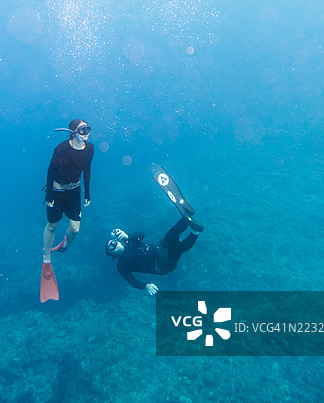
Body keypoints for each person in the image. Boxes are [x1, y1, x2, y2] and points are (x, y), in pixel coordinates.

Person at [42, 119, 94, 265]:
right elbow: (51, 171)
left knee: (75, 229)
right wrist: (49, 194)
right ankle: (46, 256)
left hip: (74, 192)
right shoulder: (62, 148)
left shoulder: (90, 148)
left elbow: (87, 170)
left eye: (88, 129)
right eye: (82, 129)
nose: (86, 133)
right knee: (52, 225)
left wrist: (87, 193)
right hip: (57, 192)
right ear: (73, 132)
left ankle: (64, 245)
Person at [105, 218, 203, 295]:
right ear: (112, 254)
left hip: (159, 248)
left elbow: (141, 235)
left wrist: (127, 236)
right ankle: (195, 233)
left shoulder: (129, 241)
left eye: (114, 242)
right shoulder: (121, 265)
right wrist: (146, 286)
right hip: (160, 265)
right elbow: (132, 281)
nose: (115, 244)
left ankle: (186, 219)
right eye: (112, 247)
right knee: (175, 249)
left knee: (172, 233)